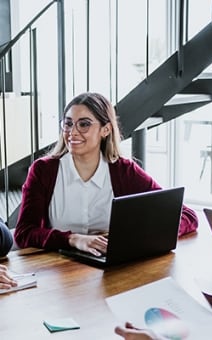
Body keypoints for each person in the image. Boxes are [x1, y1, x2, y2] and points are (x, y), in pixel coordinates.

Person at [13, 92, 198, 255]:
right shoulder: (44, 170)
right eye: (68, 124)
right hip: (58, 269)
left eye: (84, 124)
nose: (72, 132)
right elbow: (24, 233)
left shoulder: (124, 171)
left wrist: (135, 236)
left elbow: (187, 216)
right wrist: (73, 239)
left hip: (110, 266)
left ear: (106, 129)